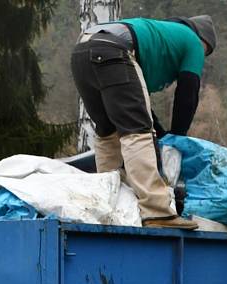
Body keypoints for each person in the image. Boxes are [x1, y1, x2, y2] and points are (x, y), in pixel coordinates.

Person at [71, 15, 218, 230]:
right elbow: (188, 93)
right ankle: (157, 211)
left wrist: (162, 134)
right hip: (114, 49)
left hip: (82, 51)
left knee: (108, 133)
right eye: (206, 53)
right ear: (204, 42)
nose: (201, 58)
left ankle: (108, 204)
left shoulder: (159, 40)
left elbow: (139, 108)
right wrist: (177, 137)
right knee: (137, 133)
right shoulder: (193, 42)